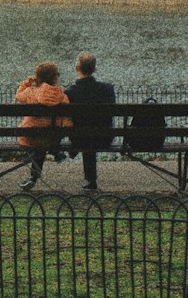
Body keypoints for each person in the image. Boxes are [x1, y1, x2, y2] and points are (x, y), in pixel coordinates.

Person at [13, 60, 71, 191]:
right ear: (55, 77)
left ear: (38, 77)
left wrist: (27, 82)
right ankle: (36, 174)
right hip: (52, 139)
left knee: (38, 142)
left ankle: (33, 177)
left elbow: (18, 96)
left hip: (29, 137)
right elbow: (66, 118)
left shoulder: (31, 92)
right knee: (44, 141)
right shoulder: (61, 95)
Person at [66, 51, 117, 193]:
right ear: (95, 69)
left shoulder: (70, 92)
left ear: (77, 68)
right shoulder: (107, 89)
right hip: (104, 138)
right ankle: (90, 180)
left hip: (79, 139)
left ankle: (89, 179)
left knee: (85, 133)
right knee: (91, 131)